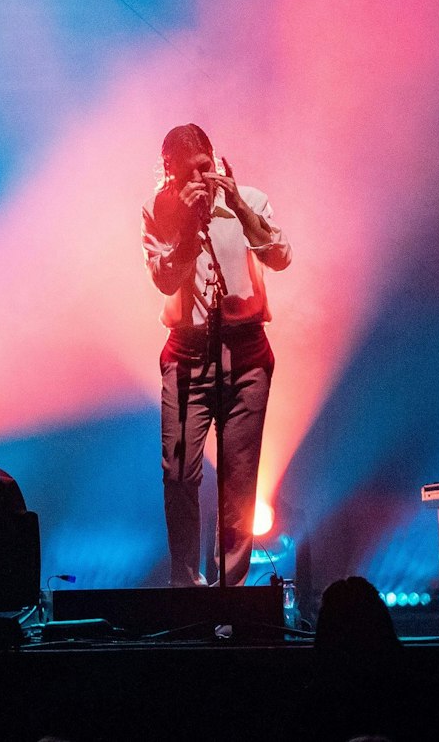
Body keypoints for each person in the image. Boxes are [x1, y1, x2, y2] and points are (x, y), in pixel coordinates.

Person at [140, 122, 291, 586]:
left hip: (246, 355)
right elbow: (165, 281)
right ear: (169, 171)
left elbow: (281, 256)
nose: (201, 180)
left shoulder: (248, 198)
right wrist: (186, 230)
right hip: (187, 356)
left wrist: (242, 210)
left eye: (206, 168)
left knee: (239, 482)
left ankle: (230, 595)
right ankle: (186, 590)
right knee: (180, 475)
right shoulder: (157, 210)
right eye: (189, 174)